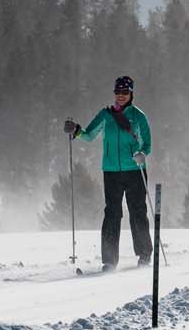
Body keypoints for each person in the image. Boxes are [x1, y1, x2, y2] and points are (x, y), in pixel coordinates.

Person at [64, 76, 153, 270]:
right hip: (111, 171)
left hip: (135, 170)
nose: (121, 96)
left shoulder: (139, 116)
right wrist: (75, 130)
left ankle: (144, 256)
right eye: (118, 92)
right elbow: (88, 135)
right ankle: (110, 261)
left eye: (125, 92)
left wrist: (142, 154)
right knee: (112, 213)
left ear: (131, 94)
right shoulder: (105, 115)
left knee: (137, 212)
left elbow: (148, 143)